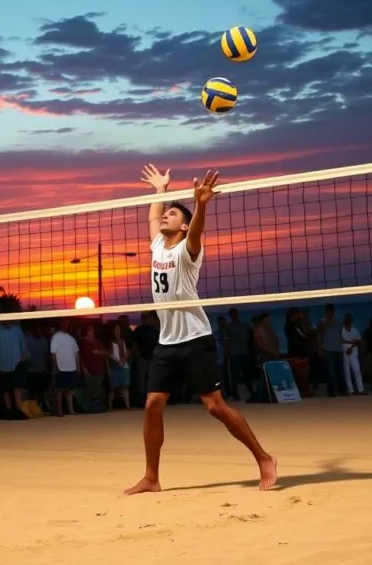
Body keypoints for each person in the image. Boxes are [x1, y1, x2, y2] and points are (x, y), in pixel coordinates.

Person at [125, 165, 276, 495]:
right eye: (166, 213)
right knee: (152, 405)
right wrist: (160, 191)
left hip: (195, 338)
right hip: (167, 341)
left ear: (183, 225)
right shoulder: (157, 247)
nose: (165, 216)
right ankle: (152, 476)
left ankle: (264, 458)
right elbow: (152, 218)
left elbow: (196, 232)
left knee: (215, 407)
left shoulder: (187, 249)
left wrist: (201, 204)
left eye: (173, 214)